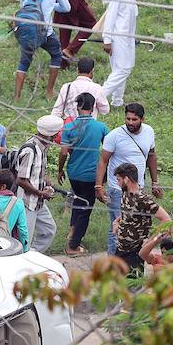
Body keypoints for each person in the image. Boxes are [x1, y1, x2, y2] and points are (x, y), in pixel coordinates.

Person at [95, 103, 162, 256]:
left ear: (142, 119)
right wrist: (98, 186)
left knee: (135, 227)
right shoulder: (114, 135)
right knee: (118, 227)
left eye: (134, 119)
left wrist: (155, 182)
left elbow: (151, 156)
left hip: (138, 189)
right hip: (118, 190)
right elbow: (103, 161)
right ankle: (115, 265)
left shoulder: (149, 132)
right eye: (128, 119)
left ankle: (132, 262)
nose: (130, 122)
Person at [58, 93, 109, 255]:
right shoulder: (101, 127)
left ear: (78, 106)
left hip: (73, 172)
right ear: (93, 107)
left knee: (77, 201)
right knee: (86, 210)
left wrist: (59, 170)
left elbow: (64, 153)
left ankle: (72, 232)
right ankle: (73, 246)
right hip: (90, 175)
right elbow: (109, 151)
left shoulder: (68, 127)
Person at [14, 0, 71, 100]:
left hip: (27, 31)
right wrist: (52, 5)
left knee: (24, 61)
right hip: (46, 32)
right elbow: (66, 8)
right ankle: (49, 92)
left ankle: (17, 96)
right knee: (57, 56)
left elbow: (23, 6)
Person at [111, 163, 171, 276]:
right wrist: (117, 221)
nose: (117, 183)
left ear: (126, 179)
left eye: (119, 180)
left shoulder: (143, 200)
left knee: (131, 289)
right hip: (121, 249)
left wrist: (152, 241)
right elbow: (127, 212)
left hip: (133, 254)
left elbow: (166, 219)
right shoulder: (125, 193)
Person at [16, 115, 64, 253]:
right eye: (58, 133)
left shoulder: (43, 147)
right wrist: (40, 193)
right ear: (53, 135)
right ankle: (22, 263)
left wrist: (45, 180)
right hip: (27, 202)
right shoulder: (30, 150)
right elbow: (21, 180)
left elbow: (34, 171)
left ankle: (32, 256)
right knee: (25, 239)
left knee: (49, 230)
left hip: (38, 202)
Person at [101, 0, 143, 108]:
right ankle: (98, 97)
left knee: (122, 70)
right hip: (117, 39)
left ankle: (117, 101)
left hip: (128, 39)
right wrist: (107, 40)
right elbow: (110, 18)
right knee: (122, 70)